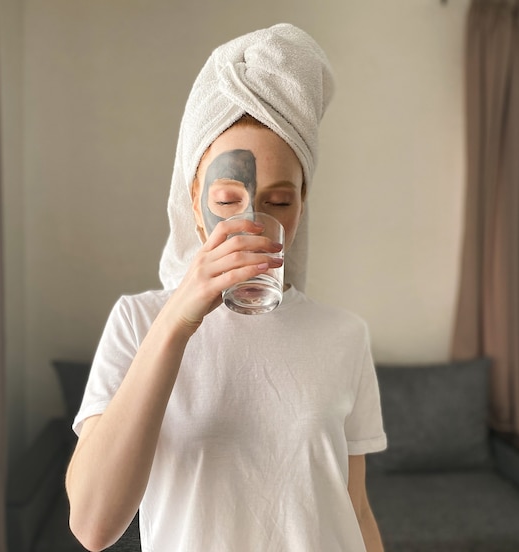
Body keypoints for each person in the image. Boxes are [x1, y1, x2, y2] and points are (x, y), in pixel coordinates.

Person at [66, 23, 387, 552]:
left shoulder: (344, 336)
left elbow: (354, 509)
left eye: (280, 202)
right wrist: (178, 320)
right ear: (194, 199)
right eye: (227, 197)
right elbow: (93, 526)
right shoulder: (138, 322)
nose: (253, 223)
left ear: (303, 203)